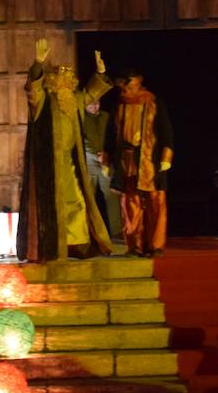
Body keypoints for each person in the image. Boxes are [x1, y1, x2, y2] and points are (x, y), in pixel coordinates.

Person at [17, 40, 115, 262]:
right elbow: (32, 90)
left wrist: (100, 72)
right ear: (54, 81)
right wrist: (38, 63)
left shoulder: (75, 100)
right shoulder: (45, 99)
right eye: (64, 78)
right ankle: (53, 246)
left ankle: (76, 243)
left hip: (70, 163)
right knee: (54, 205)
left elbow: (91, 92)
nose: (69, 82)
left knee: (77, 202)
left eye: (71, 79)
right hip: (50, 163)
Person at [112, 64, 173, 258]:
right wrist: (108, 159)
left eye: (129, 85)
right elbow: (113, 134)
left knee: (155, 202)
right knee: (131, 204)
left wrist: (166, 156)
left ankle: (155, 245)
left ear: (137, 83)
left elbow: (166, 130)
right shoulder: (120, 104)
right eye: (123, 86)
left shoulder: (153, 101)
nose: (126, 90)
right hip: (128, 161)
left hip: (150, 159)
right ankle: (134, 246)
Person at [81, 100, 121, 242]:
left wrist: (107, 154)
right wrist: (95, 155)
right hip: (89, 162)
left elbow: (112, 136)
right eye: (91, 103)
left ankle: (117, 232)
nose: (95, 106)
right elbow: (82, 142)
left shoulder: (106, 116)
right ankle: (86, 233)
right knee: (88, 198)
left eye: (97, 102)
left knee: (112, 197)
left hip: (106, 161)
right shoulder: (80, 117)